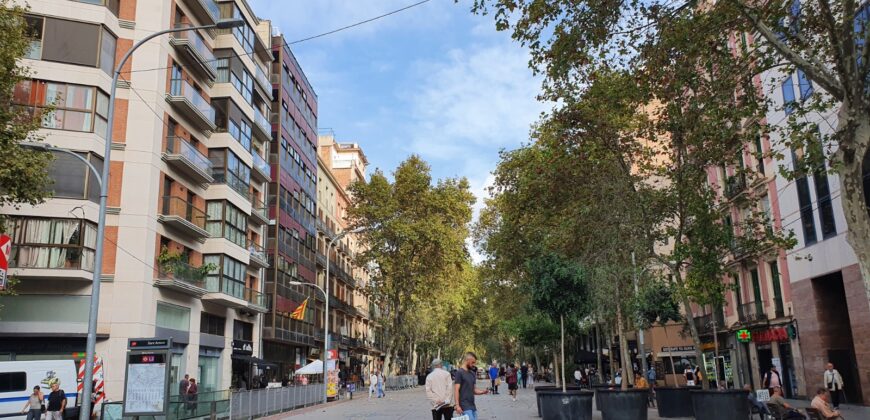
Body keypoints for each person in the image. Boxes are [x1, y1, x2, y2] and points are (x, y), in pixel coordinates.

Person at [454, 352, 489, 420]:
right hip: (464, 406)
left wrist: (483, 392)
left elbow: (474, 390)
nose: (473, 364)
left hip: (472, 406)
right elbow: (456, 390)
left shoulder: (472, 373)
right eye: (472, 362)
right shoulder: (459, 372)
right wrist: (457, 405)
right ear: (467, 360)